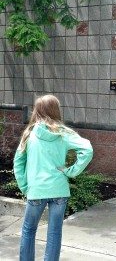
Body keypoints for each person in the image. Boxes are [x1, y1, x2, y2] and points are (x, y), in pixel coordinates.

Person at [13, 94, 93, 261]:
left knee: (29, 230)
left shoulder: (29, 134)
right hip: (59, 190)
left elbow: (18, 162)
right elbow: (87, 150)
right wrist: (71, 171)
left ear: (37, 110)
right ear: (56, 110)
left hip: (36, 190)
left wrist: (24, 186)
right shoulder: (63, 133)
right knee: (55, 232)